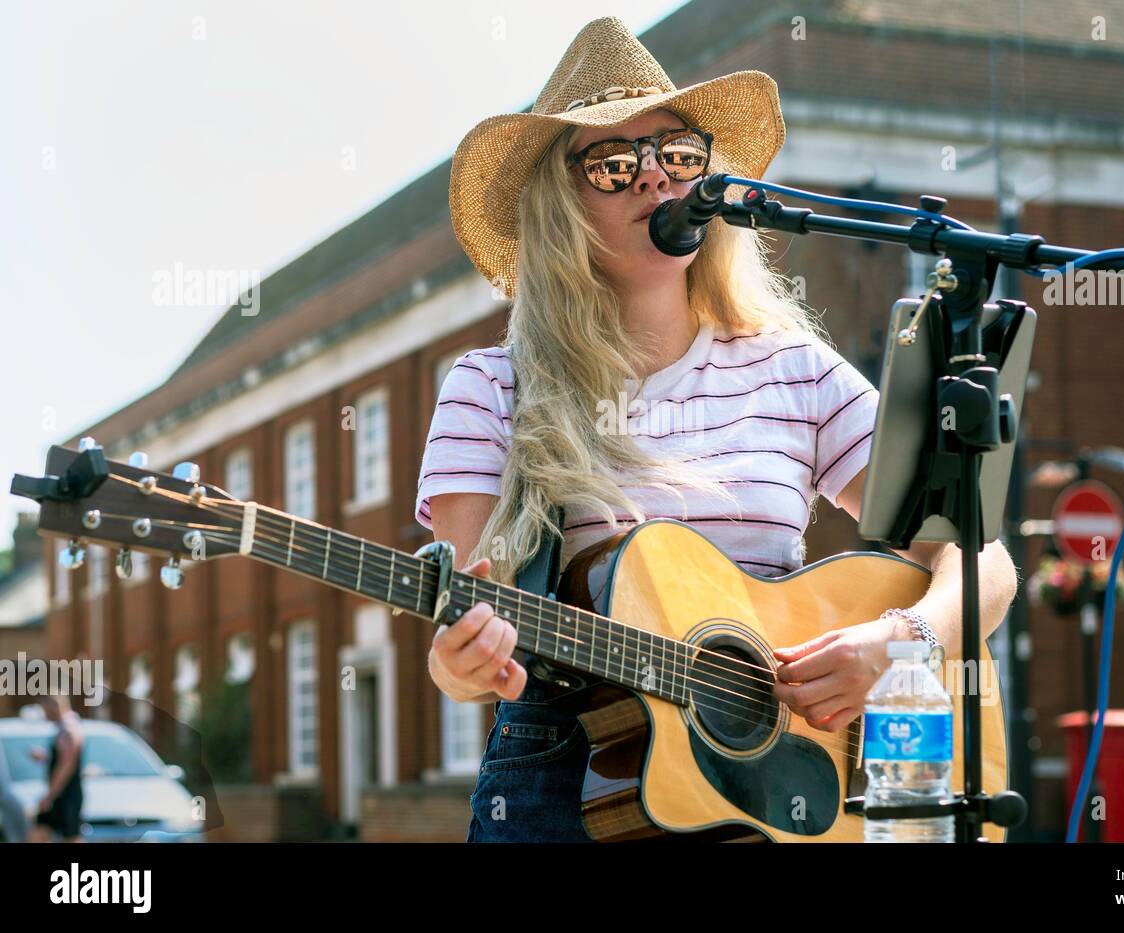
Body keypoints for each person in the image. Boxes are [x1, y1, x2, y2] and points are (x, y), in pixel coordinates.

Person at [417, 16, 1018, 842]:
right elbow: (468, 637)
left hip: (780, 804)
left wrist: (899, 642)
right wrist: (459, 663)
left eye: (680, 155)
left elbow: (979, 552)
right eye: (616, 161)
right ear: (562, 206)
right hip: (570, 796)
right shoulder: (491, 389)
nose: (656, 180)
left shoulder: (793, 369)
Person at [29, 694, 84, 843]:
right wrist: (46, 757)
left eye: (45, 709)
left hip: (66, 795)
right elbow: (63, 759)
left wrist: (50, 795)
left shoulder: (68, 729)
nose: (44, 714)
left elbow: (67, 765)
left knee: (71, 838)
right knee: (38, 833)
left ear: (54, 706)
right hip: (61, 794)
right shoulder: (63, 728)